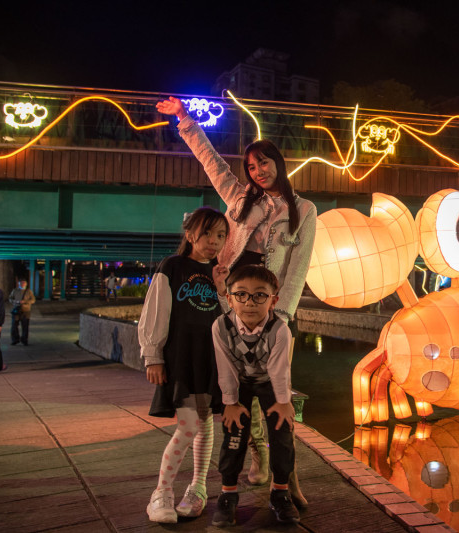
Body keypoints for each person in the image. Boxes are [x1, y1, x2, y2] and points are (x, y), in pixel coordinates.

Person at [156, 96, 315, 501]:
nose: (258, 171)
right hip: (229, 300)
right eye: (251, 166)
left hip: (268, 305)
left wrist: (281, 315)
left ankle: (272, 464)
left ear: (278, 162)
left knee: (272, 389)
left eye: (264, 163)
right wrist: (185, 120)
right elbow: (211, 162)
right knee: (236, 389)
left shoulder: (303, 210)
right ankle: (246, 462)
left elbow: (298, 266)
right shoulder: (238, 199)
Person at [138, 207, 229, 523]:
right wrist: (154, 355)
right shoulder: (172, 266)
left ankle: (198, 488)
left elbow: (229, 320)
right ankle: (161, 493)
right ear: (190, 233)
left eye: (220, 235)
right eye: (207, 233)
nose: (213, 242)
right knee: (189, 425)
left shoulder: (219, 272)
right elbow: (156, 311)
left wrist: (221, 289)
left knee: (203, 424)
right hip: (181, 359)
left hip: (208, 361)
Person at [210, 264, 300, 526]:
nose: (250, 302)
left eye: (260, 295)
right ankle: (228, 495)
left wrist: (283, 403)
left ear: (274, 299)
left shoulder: (279, 329)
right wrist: (231, 403)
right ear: (229, 298)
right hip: (239, 382)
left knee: (283, 433)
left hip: (270, 382)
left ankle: (280, 491)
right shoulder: (220, 327)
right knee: (234, 432)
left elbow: (279, 370)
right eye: (241, 294)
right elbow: (225, 367)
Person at [9, 279, 35, 346]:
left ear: (26, 284)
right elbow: (10, 298)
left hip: (25, 310)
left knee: (25, 326)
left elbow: (33, 300)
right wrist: (15, 302)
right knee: (14, 325)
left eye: (24, 284)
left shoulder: (29, 291)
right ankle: (15, 339)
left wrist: (26, 302)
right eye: (22, 284)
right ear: (19, 284)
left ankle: (24, 340)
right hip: (16, 310)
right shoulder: (15, 291)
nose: (23, 285)